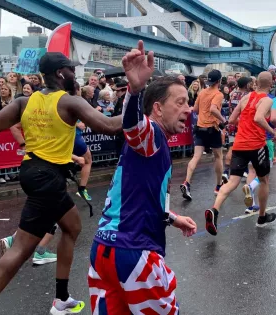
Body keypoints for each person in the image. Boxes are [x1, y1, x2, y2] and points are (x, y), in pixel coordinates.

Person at [0, 52, 122, 315]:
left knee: (73, 226)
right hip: (47, 178)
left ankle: (61, 298)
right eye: (70, 69)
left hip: (33, 171)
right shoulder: (69, 102)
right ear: (60, 73)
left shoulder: (23, 102)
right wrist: (141, 110)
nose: (74, 74)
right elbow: (109, 126)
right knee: (21, 250)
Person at [88, 40, 196, 315]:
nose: (189, 109)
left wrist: (172, 218)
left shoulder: (153, 146)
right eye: (180, 102)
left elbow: (138, 198)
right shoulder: (153, 136)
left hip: (103, 251)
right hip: (134, 253)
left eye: (189, 103)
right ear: (157, 109)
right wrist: (135, 90)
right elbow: (134, 127)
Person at [205, 72, 276, 235]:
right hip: (257, 145)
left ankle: (214, 210)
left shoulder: (246, 98)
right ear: (271, 83)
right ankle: (261, 216)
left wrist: (245, 124)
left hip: (239, 144)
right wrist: (273, 132)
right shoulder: (267, 100)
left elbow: (231, 119)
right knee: (264, 180)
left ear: (257, 82)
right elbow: (259, 118)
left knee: (232, 182)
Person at [181, 69, 227, 199]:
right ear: (218, 81)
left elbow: (195, 109)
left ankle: (187, 182)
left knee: (196, 157)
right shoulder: (218, 94)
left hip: (200, 128)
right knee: (218, 156)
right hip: (213, 129)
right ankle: (218, 186)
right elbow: (213, 109)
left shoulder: (202, 93)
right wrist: (223, 120)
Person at [222, 77, 252, 182]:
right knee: (247, 148)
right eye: (250, 83)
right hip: (243, 125)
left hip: (232, 125)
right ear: (246, 85)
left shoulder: (232, 94)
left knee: (231, 148)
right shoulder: (248, 96)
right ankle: (246, 170)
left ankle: (225, 172)